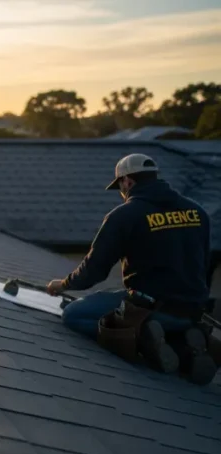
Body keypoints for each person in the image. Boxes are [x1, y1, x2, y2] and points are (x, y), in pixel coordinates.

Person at [47, 153, 215, 384]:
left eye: (120, 186)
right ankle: (183, 345)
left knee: (74, 315)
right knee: (163, 315)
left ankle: (142, 338)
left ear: (128, 182)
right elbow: (204, 265)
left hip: (149, 307)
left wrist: (63, 284)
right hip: (192, 311)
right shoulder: (197, 212)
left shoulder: (125, 215)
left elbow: (94, 271)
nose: (121, 193)